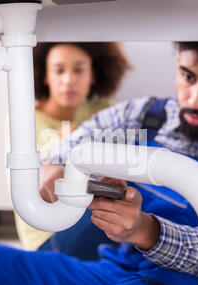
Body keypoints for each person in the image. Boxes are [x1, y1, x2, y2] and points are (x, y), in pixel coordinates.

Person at [0, 41, 198, 285]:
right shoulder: (143, 114)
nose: (196, 98)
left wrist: (147, 230)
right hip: (111, 269)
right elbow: (77, 143)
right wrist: (52, 166)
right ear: (178, 65)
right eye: (188, 76)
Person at [11, 42, 131, 253]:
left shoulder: (105, 111)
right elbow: (35, 182)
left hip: (92, 221)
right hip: (48, 238)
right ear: (45, 75)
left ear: (93, 75)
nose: (68, 80)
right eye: (58, 71)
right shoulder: (23, 119)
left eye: (78, 70)